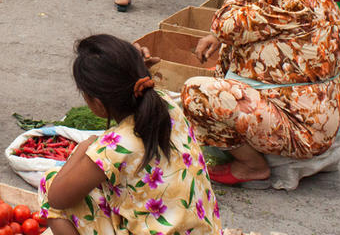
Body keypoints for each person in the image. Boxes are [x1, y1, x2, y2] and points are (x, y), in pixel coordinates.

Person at [182, 0, 340, 185]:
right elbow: (239, 30)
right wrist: (222, 38)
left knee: (197, 92)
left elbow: (226, 24)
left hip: (300, 128)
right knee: (228, 56)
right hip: (310, 117)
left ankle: (251, 166)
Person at [37, 34, 222, 235]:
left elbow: (57, 198)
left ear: (97, 103)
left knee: (50, 184)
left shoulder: (111, 148)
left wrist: (84, 147)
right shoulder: (166, 104)